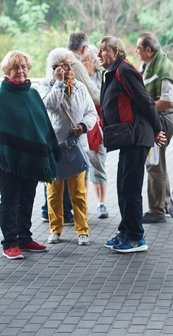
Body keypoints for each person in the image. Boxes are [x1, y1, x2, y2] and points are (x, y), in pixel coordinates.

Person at [98, 36, 165, 252]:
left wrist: (157, 129)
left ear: (115, 51)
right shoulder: (114, 70)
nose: (99, 55)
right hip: (129, 138)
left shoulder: (124, 70)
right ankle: (126, 231)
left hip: (137, 136)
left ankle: (136, 238)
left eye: (102, 51)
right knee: (123, 186)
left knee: (130, 188)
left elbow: (144, 100)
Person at [0, 50, 58, 259]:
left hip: (31, 159)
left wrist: (49, 149)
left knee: (27, 198)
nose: (21, 70)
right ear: (7, 70)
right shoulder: (2, 96)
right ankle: (9, 243)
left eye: (24, 66)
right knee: (10, 200)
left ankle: (24, 238)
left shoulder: (32, 94)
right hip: (8, 161)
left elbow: (42, 125)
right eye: (16, 67)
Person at [42, 48, 96, 246]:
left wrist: (83, 126)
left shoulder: (81, 87)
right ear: (54, 68)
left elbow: (92, 113)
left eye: (70, 65)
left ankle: (82, 230)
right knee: (54, 192)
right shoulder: (46, 86)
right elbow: (50, 105)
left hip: (76, 146)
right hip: (55, 146)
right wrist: (58, 83)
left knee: (79, 192)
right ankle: (55, 229)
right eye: (63, 65)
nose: (68, 69)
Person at [136, 32, 173, 223]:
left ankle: (157, 210)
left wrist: (146, 106)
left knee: (154, 165)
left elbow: (169, 101)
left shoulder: (163, 68)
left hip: (162, 120)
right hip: (157, 118)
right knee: (159, 163)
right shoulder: (149, 65)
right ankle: (166, 202)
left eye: (138, 48)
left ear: (148, 49)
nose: (136, 51)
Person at [81, 44, 108, 219]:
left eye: (84, 60)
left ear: (92, 61)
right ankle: (83, 204)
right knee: (82, 168)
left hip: (99, 128)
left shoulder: (102, 77)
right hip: (83, 128)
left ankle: (101, 203)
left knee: (99, 166)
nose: (82, 63)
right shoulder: (79, 78)